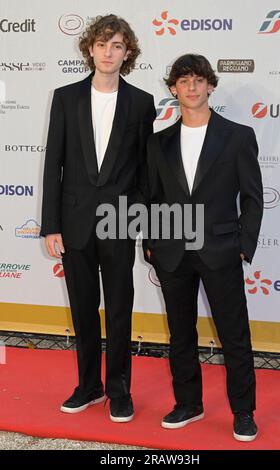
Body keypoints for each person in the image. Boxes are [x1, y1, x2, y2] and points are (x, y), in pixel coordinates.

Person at [41, 14, 156, 423]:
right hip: (73, 222)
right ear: (90, 48)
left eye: (118, 45)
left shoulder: (142, 102)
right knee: (83, 308)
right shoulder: (66, 97)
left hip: (120, 222)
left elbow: (146, 169)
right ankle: (88, 387)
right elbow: (53, 162)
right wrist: (50, 225)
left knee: (121, 308)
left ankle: (119, 391)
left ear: (128, 53)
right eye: (103, 44)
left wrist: (135, 215)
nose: (109, 52)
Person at [144, 54, 263, 441]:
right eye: (183, 81)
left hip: (221, 249)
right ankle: (188, 404)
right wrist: (150, 242)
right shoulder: (158, 142)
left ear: (210, 85)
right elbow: (152, 198)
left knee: (234, 335)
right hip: (172, 252)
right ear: (173, 89)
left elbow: (253, 197)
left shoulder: (238, 135)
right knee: (180, 334)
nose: (191, 87)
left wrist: (244, 245)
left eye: (198, 80)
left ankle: (243, 412)